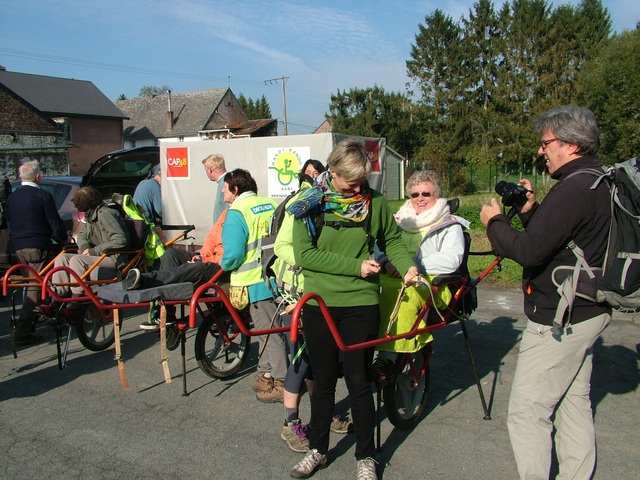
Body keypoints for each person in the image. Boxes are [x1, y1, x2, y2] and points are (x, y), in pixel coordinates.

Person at [480, 106, 612, 480]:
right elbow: (562, 243)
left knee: (527, 414)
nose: (542, 151)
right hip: (591, 310)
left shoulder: (572, 190)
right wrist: (530, 210)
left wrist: (495, 222)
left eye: (546, 143)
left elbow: (528, 251)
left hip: (560, 319)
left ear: (570, 144)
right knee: (573, 404)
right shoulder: (598, 180)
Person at [287, 139, 419, 479]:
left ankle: (366, 457)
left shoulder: (373, 202)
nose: (358, 189)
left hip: (362, 303)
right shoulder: (309, 205)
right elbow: (305, 257)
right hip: (320, 303)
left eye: (363, 182)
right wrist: (356, 266)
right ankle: (318, 449)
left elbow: (390, 240)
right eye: (351, 182)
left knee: (360, 382)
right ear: (332, 173)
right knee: (324, 380)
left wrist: (406, 268)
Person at [271, 160, 353, 452]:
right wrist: (313, 263)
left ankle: (324, 412)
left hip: (329, 289)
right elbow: (281, 246)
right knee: (302, 357)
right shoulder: (305, 201)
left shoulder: (351, 202)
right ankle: (290, 424)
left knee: (322, 357)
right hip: (301, 290)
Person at [216, 168, 288, 403]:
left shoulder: (237, 211)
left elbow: (234, 254)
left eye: (225, 189)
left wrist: (221, 263)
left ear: (236, 190)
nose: (223, 194)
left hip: (253, 282)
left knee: (270, 333)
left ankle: (282, 382)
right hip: (275, 276)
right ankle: (265, 375)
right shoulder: (268, 203)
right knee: (264, 330)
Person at [376, 170, 468, 356]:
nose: (420, 199)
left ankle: (394, 354)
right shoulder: (399, 220)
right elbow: (378, 246)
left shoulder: (449, 224)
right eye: (415, 194)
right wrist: (386, 262)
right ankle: (365, 346)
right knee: (366, 289)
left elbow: (452, 259)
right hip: (394, 273)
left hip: (432, 281)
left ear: (437, 195)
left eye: (426, 194)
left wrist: (411, 265)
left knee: (404, 294)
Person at [6, 161, 70, 345]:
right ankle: (23, 330)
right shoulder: (43, 196)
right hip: (38, 245)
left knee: (31, 284)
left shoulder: (12, 198)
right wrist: (64, 240)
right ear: (38, 176)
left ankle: (39, 316)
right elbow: (55, 224)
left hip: (18, 246)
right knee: (36, 287)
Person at [52, 186, 130, 315]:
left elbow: (120, 240)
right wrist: (85, 248)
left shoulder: (106, 214)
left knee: (77, 260)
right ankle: (57, 296)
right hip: (101, 255)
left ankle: (77, 299)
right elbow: (82, 235)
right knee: (63, 258)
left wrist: (93, 251)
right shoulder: (91, 216)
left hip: (114, 258)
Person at [202, 153, 228, 225]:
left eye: (205, 169)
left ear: (209, 170)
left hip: (224, 230)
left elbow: (229, 210)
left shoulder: (225, 184)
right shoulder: (226, 181)